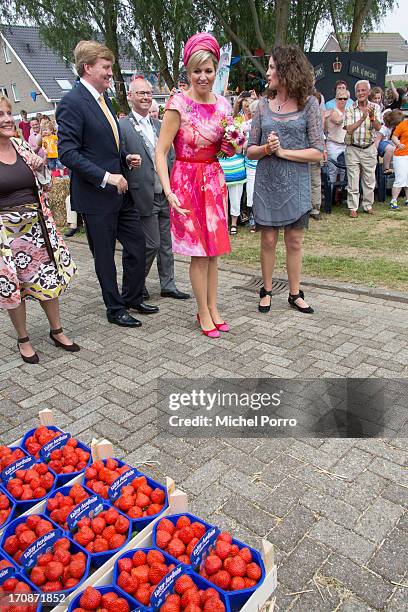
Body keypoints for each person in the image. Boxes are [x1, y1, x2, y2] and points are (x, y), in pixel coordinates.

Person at [56, 40, 158, 327]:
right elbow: (68, 153)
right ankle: (115, 309)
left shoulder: (105, 99)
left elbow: (104, 145)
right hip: (95, 195)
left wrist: (126, 158)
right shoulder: (71, 103)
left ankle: (132, 296)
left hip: (119, 190)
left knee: (139, 245)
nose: (111, 73)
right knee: (104, 257)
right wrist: (106, 176)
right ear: (88, 68)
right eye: (106, 67)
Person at [156, 33, 233, 338]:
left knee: (213, 253)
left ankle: (214, 307)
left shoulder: (224, 104)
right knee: (199, 254)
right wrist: (168, 189)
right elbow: (160, 151)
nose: (203, 77)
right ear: (188, 72)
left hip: (213, 181)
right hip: (186, 182)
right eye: (196, 71)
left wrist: (231, 145)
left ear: (216, 70)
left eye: (208, 70)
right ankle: (202, 311)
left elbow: (224, 148)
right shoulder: (178, 104)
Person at [0, 96, 78, 363]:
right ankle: (23, 339)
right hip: (6, 235)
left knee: (47, 279)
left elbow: (45, 183)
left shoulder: (20, 145)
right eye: (0, 114)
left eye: (8, 113)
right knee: (15, 287)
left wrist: (41, 166)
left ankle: (57, 331)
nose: (7, 119)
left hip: (36, 228)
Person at [247, 45, 324, 315]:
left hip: (297, 186)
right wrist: (267, 150)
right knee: (268, 240)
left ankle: (295, 294)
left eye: (271, 67)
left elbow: (318, 151)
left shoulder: (309, 105)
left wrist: (283, 152)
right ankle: (266, 290)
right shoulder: (261, 107)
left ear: (287, 70)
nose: (267, 72)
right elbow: (250, 150)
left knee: (294, 242)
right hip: (267, 185)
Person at [120, 78, 190, 300]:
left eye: (149, 93)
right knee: (151, 244)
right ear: (130, 96)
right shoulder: (122, 126)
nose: (145, 97)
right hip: (141, 194)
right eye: (140, 93)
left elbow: (170, 157)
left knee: (166, 245)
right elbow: (117, 159)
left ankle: (168, 284)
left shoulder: (160, 126)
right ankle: (135, 285)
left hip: (164, 193)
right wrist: (126, 161)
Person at [343, 80, 382, 218]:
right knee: (353, 179)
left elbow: (378, 128)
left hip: (369, 147)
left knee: (369, 180)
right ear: (355, 93)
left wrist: (371, 117)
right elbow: (349, 130)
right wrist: (362, 119)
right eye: (358, 91)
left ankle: (367, 205)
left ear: (368, 92)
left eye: (363, 90)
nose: (360, 93)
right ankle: (353, 207)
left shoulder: (375, 107)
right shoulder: (349, 108)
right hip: (353, 148)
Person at [324, 89, 349, 192]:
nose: (342, 101)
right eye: (340, 98)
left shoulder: (347, 111)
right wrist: (348, 114)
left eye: (345, 98)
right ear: (336, 99)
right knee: (333, 171)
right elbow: (337, 120)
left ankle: (340, 193)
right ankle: (330, 194)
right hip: (333, 144)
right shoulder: (333, 111)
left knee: (344, 171)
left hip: (345, 144)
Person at [375, 109, 402, 180]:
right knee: (391, 149)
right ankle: (386, 168)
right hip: (379, 143)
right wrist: (375, 152)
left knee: (399, 145)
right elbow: (377, 140)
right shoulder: (383, 129)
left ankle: (399, 167)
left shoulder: (391, 127)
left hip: (385, 142)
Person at [390, 113, 408, 208]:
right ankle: (393, 200)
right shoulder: (403, 124)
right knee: (400, 178)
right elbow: (394, 136)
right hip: (401, 155)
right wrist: (398, 144)